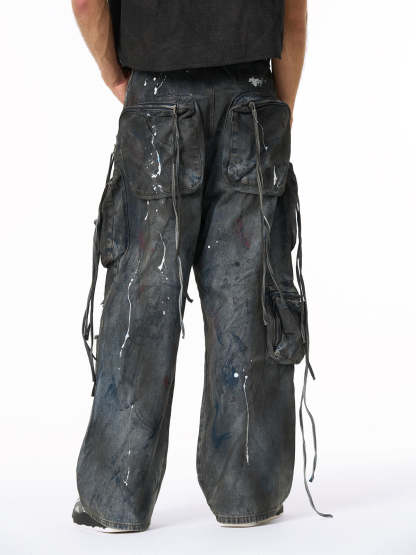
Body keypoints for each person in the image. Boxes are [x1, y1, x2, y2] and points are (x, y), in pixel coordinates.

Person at [70, 0, 332, 532]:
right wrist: (281, 106)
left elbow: (86, 2)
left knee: (143, 299)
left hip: (157, 96)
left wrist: (115, 76)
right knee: (250, 294)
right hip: (252, 98)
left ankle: (116, 498)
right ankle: (250, 491)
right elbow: (294, 13)